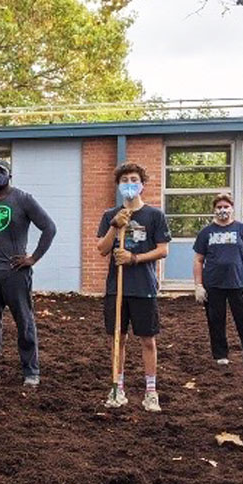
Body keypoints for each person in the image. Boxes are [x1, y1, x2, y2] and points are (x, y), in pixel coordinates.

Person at [0, 159, 56, 387]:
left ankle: (30, 370)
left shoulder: (23, 200)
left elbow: (49, 227)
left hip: (15, 273)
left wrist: (32, 258)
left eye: (1, 172)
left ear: (9, 175)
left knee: (24, 321)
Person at [95, 162, 170, 412]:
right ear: (118, 185)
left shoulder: (154, 215)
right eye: (124, 179)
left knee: (147, 339)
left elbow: (163, 249)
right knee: (118, 339)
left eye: (134, 179)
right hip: (116, 288)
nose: (129, 183)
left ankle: (151, 391)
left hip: (143, 287)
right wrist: (115, 225)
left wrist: (134, 258)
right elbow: (102, 249)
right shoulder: (110, 215)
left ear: (142, 184)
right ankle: (118, 387)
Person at [192, 193, 243, 369]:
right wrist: (198, 285)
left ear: (232, 208)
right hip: (213, 285)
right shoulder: (206, 232)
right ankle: (220, 355)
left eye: (226, 206)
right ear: (214, 210)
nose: (223, 210)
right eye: (219, 207)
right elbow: (198, 260)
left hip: (238, 284)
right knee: (215, 320)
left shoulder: (242, 229)